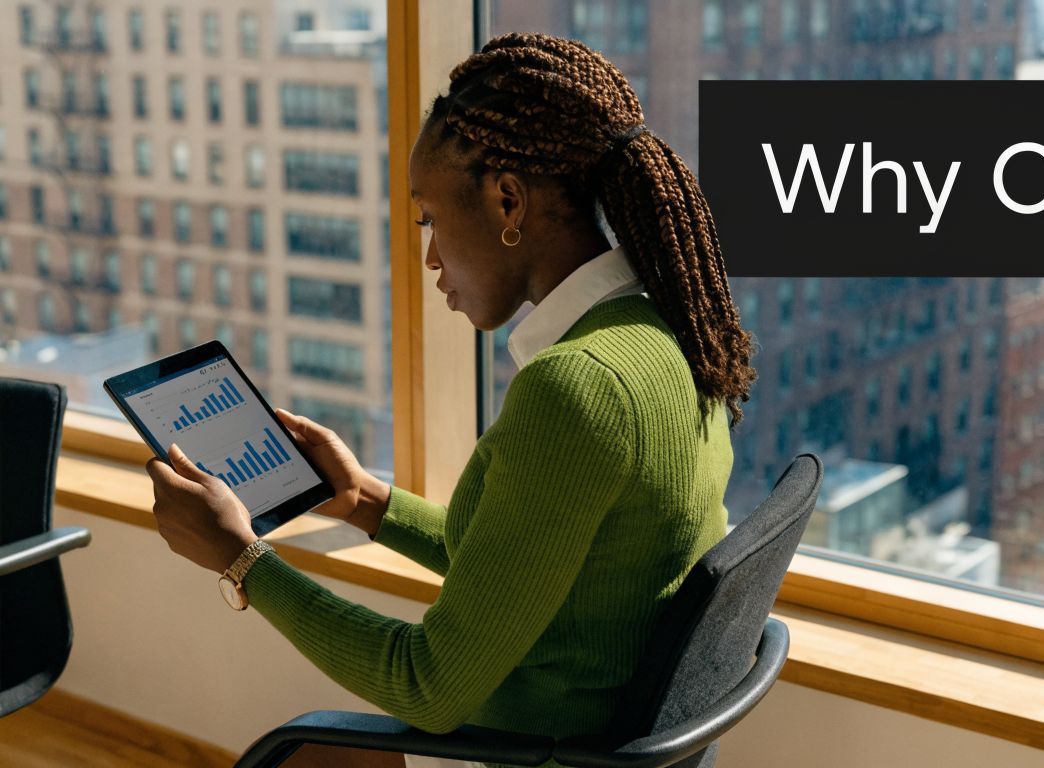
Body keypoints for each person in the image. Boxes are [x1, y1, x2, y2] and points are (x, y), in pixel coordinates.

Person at [143, 32, 756, 768]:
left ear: (506, 199)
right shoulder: (668, 331)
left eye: (428, 217)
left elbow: (428, 685)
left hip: (528, 752)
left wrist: (241, 559)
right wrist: (365, 498)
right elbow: (528, 564)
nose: (429, 255)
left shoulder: (578, 390)